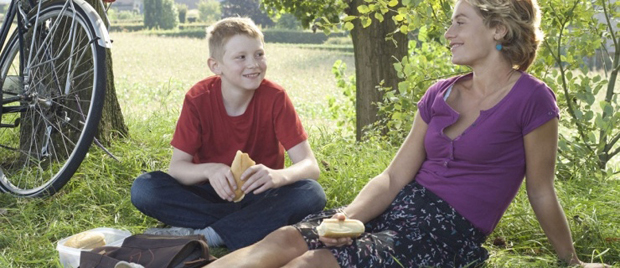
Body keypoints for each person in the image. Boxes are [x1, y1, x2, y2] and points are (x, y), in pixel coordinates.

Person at [205, 0, 610, 267]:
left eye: (460, 22)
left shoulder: (532, 100)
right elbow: (393, 177)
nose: (448, 32)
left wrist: (570, 260)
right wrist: (348, 217)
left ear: (499, 30)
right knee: (284, 240)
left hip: (446, 231)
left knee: (311, 263)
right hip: (395, 206)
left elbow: (541, 189)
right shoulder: (440, 92)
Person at [130, 17, 326, 251]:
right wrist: (210, 170)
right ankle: (245, 227)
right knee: (144, 188)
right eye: (241, 57)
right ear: (215, 66)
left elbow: (310, 166)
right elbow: (177, 168)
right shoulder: (198, 99)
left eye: (259, 54)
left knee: (311, 193)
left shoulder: (275, 97)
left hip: (259, 194)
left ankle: (208, 235)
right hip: (207, 194)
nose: (253, 64)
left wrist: (277, 176)